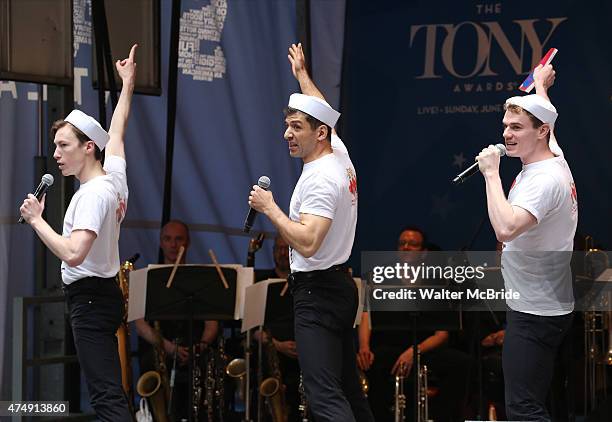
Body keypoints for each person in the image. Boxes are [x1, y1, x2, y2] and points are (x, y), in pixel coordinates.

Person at [248, 43, 374, 421]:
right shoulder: (338, 153)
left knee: (323, 395)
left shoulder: (321, 178)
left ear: (319, 134)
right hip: (337, 288)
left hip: (317, 292)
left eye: (296, 127)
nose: (287, 133)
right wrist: (303, 76)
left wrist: (269, 208)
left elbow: (308, 239)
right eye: (287, 124)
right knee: (349, 390)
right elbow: (325, 113)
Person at [19, 45, 138, 421]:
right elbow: (116, 131)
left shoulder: (93, 195)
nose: (55, 153)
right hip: (101, 295)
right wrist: (128, 83)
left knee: (106, 397)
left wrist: (38, 220)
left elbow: (74, 252)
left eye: (63, 146)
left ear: (88, 148)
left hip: (89, 297)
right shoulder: (113, 180)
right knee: (108, 390)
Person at [476, 64, 577, 421]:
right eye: (505, 126)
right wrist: (540, 86)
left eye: (516, 127)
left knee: (524, 409)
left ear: (541, 132)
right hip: (543, 304)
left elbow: (505, 228)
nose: (507, 134)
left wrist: (491, 173)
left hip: (535, 311)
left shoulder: (543, 181)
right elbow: (548, 118)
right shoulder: (553, 156)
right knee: (532, 402)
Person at [358, 226, 470, 421]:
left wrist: (414, 352)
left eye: (413, 244)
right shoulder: (381, 277)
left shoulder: (437, 282)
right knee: (372, 363)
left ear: (424, 252)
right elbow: (367, 315)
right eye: (402, 244)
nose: (406, 247)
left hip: (424, 349)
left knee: (462, 363)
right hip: (390, 346)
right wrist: (364, 346)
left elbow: (442, 334)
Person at [134, 220, 218, 420]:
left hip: (194, 349)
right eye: (168, 239)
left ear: (187, 243)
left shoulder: (199, 278)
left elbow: (212, 323)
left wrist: (201, 346)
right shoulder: (147, 277)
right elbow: (139, 324)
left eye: (178, 239)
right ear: (161, 243)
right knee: (149, 362)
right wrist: (169, 348)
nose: (173, 245)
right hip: (161, 349)